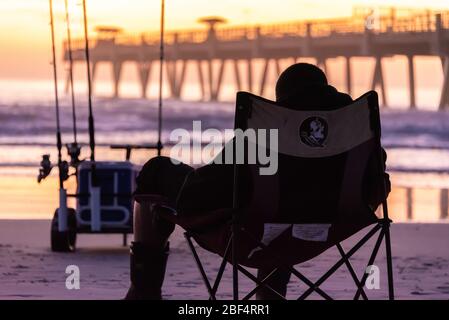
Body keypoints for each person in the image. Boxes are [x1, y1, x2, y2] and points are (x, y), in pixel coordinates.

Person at [124, 63, 390, 300]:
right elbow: (379, 186)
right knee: (279, 211)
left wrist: (191, 188)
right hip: (321, 235)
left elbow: (206, 189)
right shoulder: (357, 132)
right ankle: (269, 295)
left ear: (281, 101)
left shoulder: (265, 132)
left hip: (252, 238)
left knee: (156, 170)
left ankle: (143, 292)